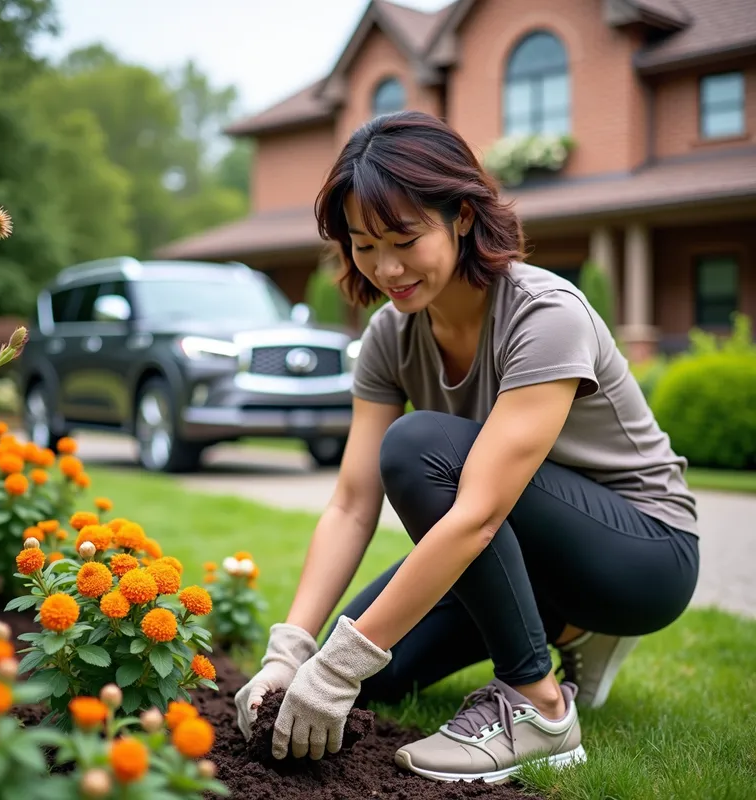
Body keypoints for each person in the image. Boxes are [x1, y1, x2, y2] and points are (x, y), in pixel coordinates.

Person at [234, 110, 700, 784]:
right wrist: (295, 650)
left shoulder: (544, 314)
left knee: (420, 445)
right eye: (364, 245)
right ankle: (565, 630)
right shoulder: (392, 336)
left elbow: (476, 512)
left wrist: (340, 660)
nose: (386, 267)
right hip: (527, 546)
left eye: (403, 237)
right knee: (375, 678)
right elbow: (351, 505)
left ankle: (538, 707)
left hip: (643, 553)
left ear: (459, 214)